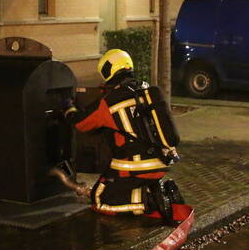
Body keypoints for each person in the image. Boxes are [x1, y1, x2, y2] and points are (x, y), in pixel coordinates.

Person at [64, 48, 184, 225]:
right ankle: (162, 190)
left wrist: (68, 107)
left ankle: (147, 200)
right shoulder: (145, 89)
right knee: (114, 186)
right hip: (160, 160)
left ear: (109, 71)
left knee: (99, 199)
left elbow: (81, 124)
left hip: (133, 166)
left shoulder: (110, 101)